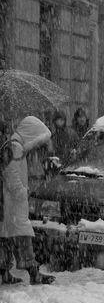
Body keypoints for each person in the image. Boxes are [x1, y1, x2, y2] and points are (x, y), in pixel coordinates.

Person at [0, 116, 55, 284]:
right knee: (24, 237)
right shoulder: (16, 148)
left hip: (8, 204)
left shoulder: (13, 146)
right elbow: (11, 175)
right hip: (14, 204)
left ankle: (5, 273)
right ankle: (34, 273)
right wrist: (23, 192)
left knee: (6, 238)